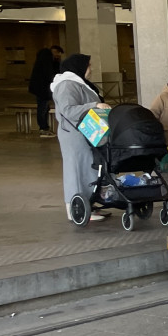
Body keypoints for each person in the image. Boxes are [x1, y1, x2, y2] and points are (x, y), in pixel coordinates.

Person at [51, 54, 111, 223]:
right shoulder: (67, 85)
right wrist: (95, 105)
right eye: (88, 65)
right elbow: (68, 110)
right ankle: (77, 208)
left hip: (88, 132)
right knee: (77, 170)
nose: (91, 69)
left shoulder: (78, 83)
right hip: (75, 134)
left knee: (88, 168)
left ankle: (89, 204)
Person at [27, 44, 63, 137]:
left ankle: (45, 127)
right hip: (42, 88)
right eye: (58, 53)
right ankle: (43, 128)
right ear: (54, 51)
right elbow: (49, 73)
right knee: (42, 107)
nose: (58, 56)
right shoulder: (46, 57)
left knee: (44, 107)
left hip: (42, 88)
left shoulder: (46, 58)